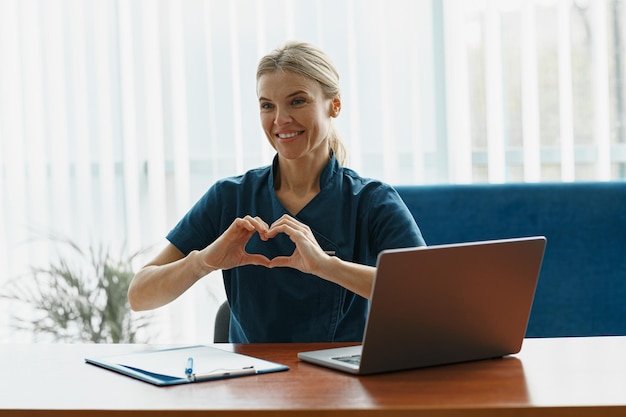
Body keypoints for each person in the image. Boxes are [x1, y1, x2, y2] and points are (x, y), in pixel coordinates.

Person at [128, 40, 426, 343]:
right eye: (267, 105)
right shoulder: (229, 197)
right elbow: (139, 295)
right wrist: (204, 262)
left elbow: (426, 296)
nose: (280, 119)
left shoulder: (372, 201)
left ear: (334, 104)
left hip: (344, 385)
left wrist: (327, 267)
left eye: (297, 101)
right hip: (251, 383)